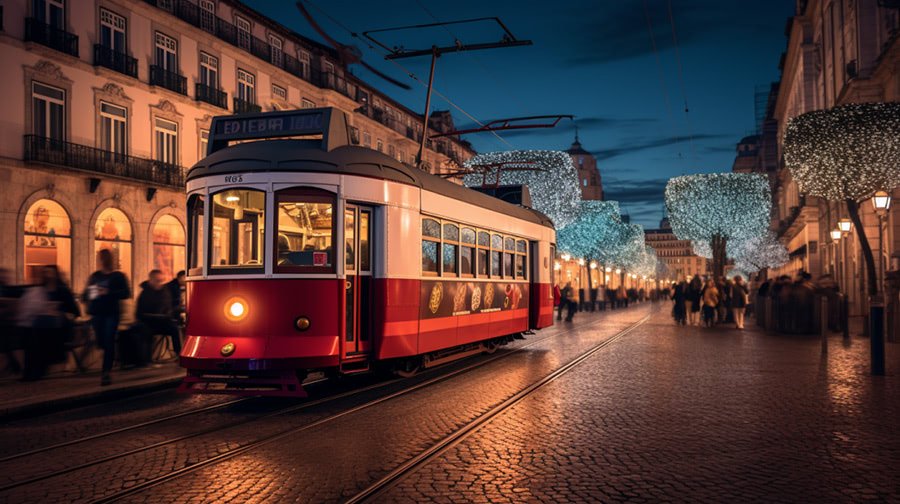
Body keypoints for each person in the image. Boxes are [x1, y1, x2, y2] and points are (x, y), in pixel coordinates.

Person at [17, 266, 79, 380]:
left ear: (55, 275)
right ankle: (28, 371)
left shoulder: (62, 290)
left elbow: (75, 311)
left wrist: (59, 310)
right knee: (29, 336)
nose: (48, 276)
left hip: (58, 326)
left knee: (38, 339)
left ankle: (35, 371)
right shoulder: (41, 290)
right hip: (40, 323)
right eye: (45, 273)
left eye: (50, 273)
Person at [84, 249, 131, 386]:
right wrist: (93, 294)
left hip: (111, 313)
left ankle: (106, 373)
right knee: (102, 342)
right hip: (97, 313)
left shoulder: (118, 276)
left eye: (103, 258)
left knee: (109, 341)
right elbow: (88, 294)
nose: (102, 261)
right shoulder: (95, 276)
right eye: (100, 258)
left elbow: (126, 293)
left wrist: (108, 292)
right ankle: (110, 359)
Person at [135, 269, 181, 361]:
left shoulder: (165, 291)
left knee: (174, 329)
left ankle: (179, 354)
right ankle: (146, 360)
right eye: (157, 281)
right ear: (151, 280)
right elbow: (139, 313)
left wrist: (168, 314)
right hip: (148, 322)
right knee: (145, 332)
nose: (159, 283)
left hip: (162, 322)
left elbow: (168, 307)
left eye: (161, 281)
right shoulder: (145, 294)